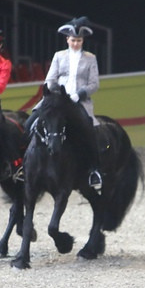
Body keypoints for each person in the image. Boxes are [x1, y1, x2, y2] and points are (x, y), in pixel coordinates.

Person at [32, 16, 103, 190]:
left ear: (82, 40)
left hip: (79, 101)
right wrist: (55, 92)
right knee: (31, 122)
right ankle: (22, 164)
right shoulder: (59, 56)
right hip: (58, 99)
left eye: (79, 40)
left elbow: (94, 84)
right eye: (73, 40)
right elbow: (50, 79)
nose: (76, 43)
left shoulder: (90, 58)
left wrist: (79, 94)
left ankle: (94, 170)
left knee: (89, 130)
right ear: (67, 39)